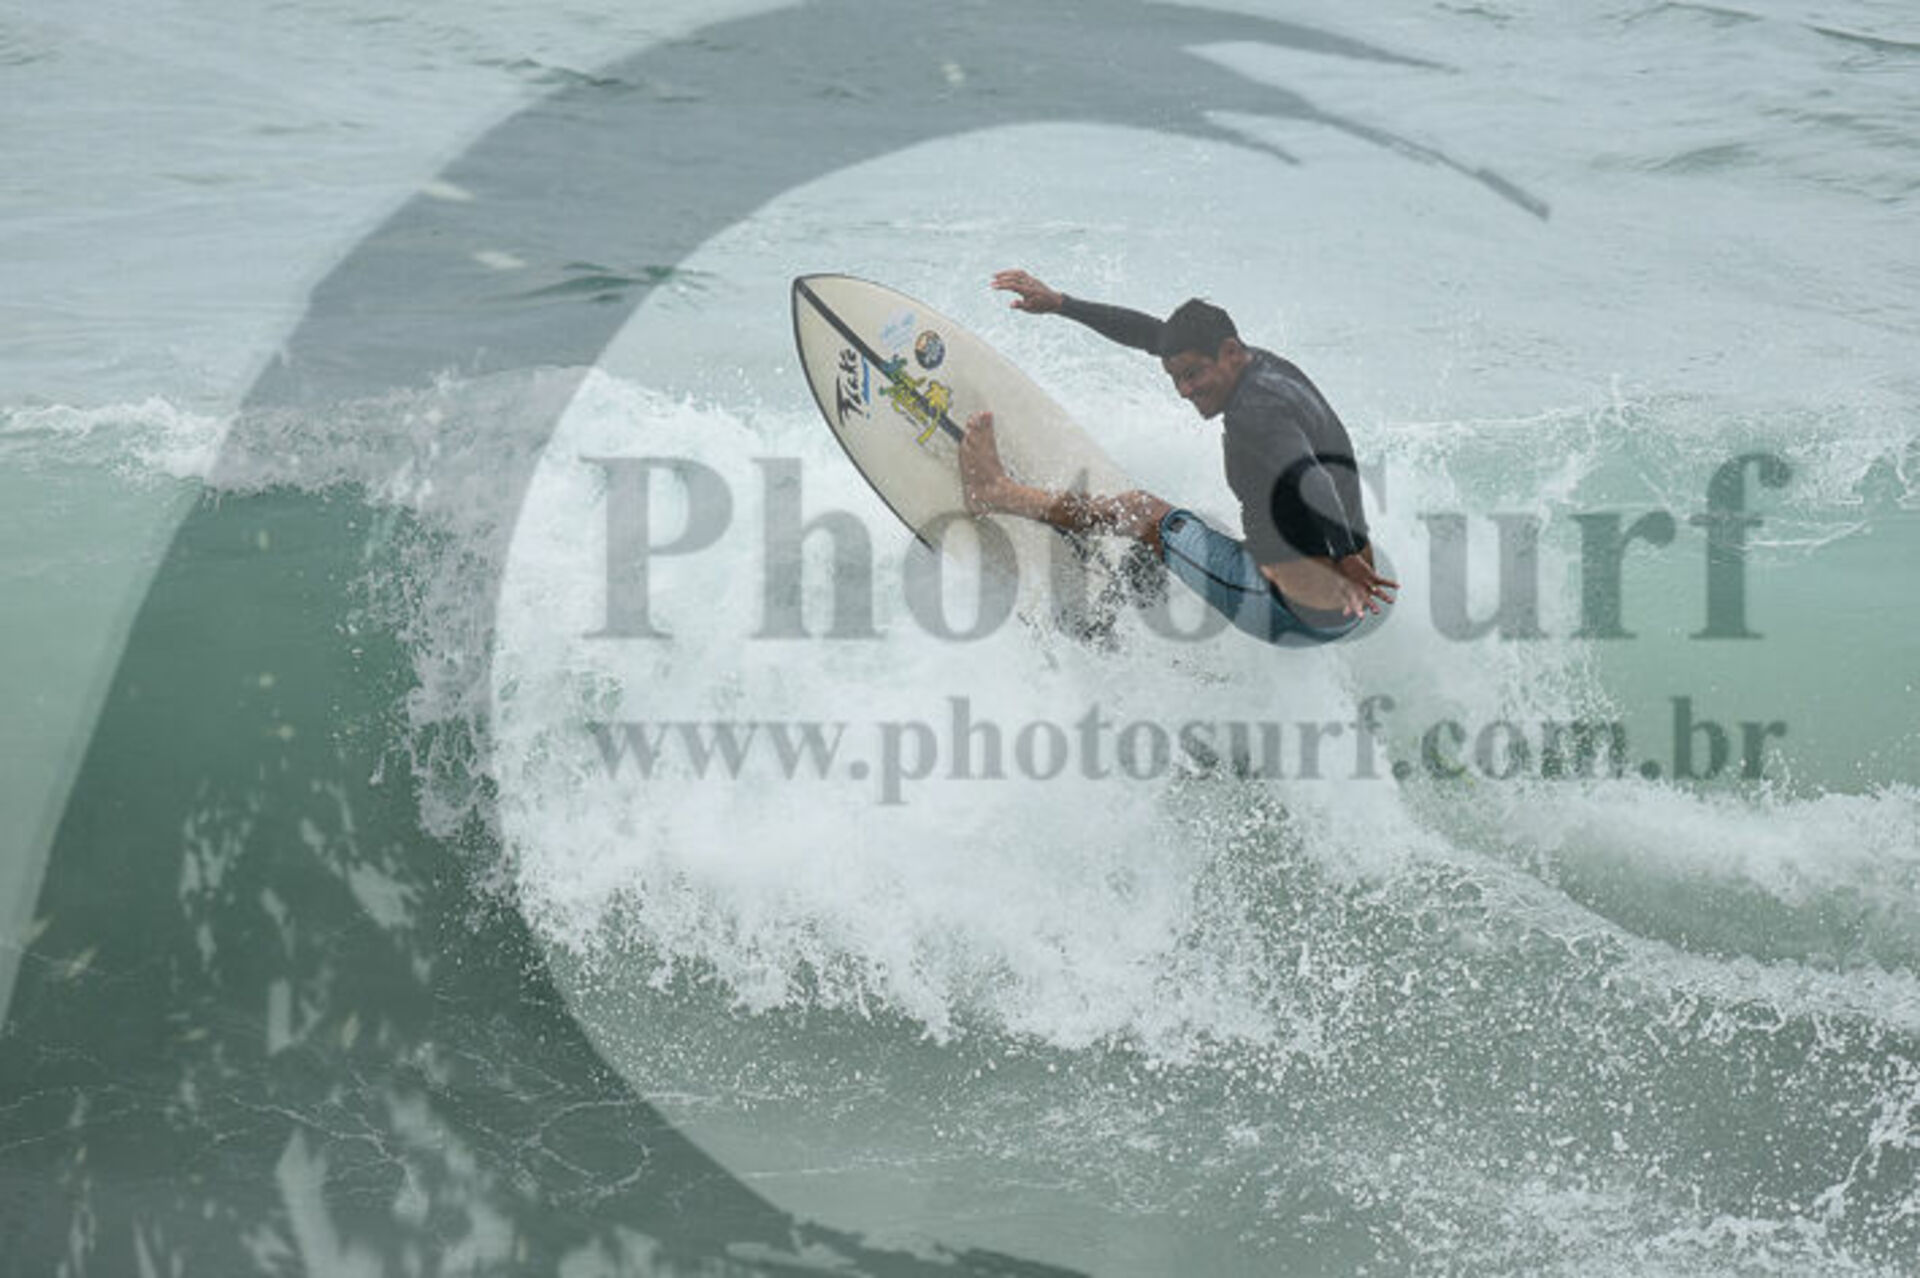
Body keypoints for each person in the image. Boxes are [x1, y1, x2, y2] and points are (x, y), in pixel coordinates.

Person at [958, 268, 1396, 643]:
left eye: (1193, 375)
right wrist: (1060, 303)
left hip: (1286, 609)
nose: (1185, 391)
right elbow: (1149, 334)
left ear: (1229, 352)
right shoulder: (1263, 369)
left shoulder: (1256, 412)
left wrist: (1345, 557)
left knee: (1143, 513)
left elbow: (1310, 477)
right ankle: (1131, 638)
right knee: (1176, 531)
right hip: (1342, 606)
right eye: (1176, 377)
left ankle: (995, 492)